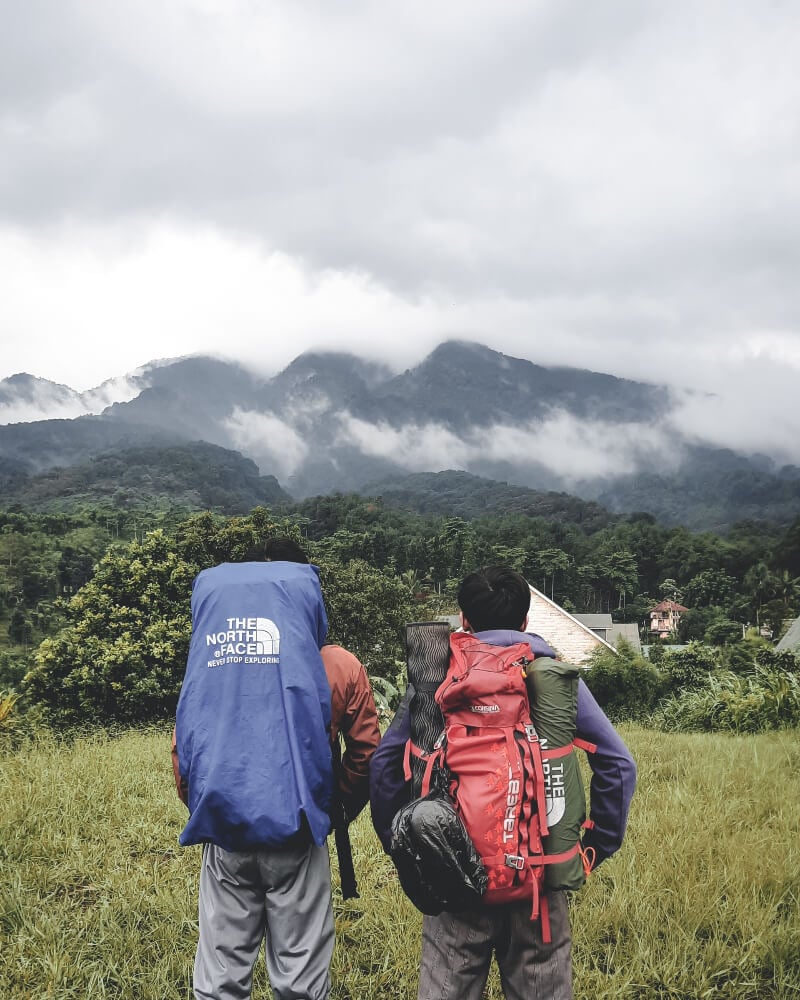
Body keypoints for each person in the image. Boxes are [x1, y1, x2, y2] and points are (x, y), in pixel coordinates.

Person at [370, 566, 637, 1000]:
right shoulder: (549, 676)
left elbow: (384, 765)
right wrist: (590, 848)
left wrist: (405, 846)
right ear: (526, 622)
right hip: (537, 878)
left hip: (452, 871)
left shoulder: (439, 676)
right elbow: (618, 764)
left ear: (464, 620)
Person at [171, 537, 379, 1000]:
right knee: (300, 981)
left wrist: (212, 804)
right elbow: (366, 753)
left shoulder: (217, 654)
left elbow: (186, 748)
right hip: (298, 832)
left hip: (225, 830)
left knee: (220, 978)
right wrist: (332, 805)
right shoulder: (337, 663)